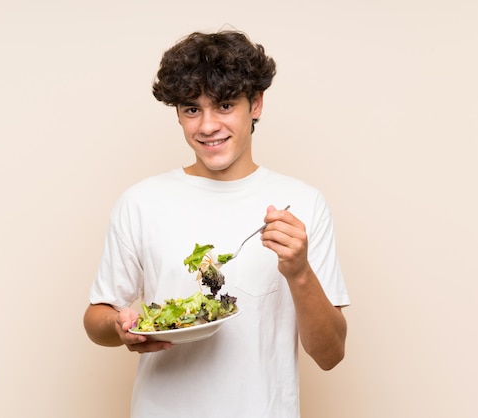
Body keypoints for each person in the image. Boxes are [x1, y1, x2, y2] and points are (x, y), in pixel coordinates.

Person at [83, 30, 350, 418]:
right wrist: (119, 325)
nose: (207, 126)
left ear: (255, 104)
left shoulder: (304, 204)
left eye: (224, 105)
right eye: (192, 109)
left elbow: (331, 355)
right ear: (178, 113)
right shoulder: (140, 202)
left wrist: (299, 272)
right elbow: (96, 319)